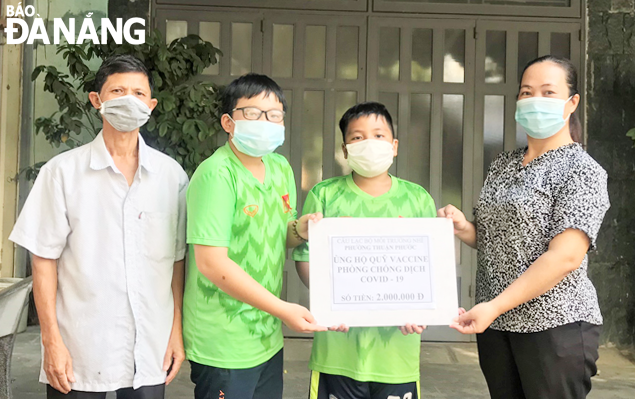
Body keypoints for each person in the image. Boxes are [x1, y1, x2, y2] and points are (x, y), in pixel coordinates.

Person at [9, 54, 188, 398]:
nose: (128, 100)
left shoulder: (171, 176)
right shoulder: (62, 173)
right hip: (80, 348)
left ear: (150, 104)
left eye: (138, 93)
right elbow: (44, 259)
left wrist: (175, 329)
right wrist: (51, 341)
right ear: (97, 101)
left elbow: (176, 261)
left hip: (149, 346)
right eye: (117, 90)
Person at [440, 55, 610, 399]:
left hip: (554, 326)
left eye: (549, 92)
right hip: (496, 326)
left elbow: (565, 257)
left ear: (571, 102)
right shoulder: (503, 164)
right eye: (527, 92)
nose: (536, 101)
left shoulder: (582, 171)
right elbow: (494, 238)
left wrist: (495, 306)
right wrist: (463, 227)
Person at [182, 73, 325, 399]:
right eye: (253, 113)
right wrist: (282, 309)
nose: (266, 122)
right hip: (224, 339)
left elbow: (281, 234)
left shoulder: (280, 168)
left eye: (274, 115)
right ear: (228, 122)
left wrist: (299, 230)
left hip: (266, 334)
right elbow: (210, 264)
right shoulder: (217, 174)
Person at [292, 102, 436, 399]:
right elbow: (305, 259)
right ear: (345, 150)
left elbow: (431, 268)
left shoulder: (417, 199)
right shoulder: (324, 195)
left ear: (394, 146)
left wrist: (420, 310)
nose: (369, 143)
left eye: (379, 135)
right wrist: (329, 303)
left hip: (397, 354)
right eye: (357, 138)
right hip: (337, 352)